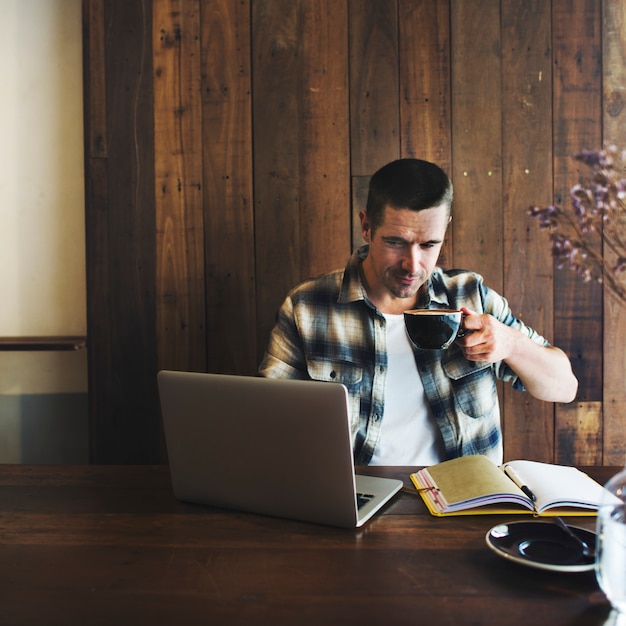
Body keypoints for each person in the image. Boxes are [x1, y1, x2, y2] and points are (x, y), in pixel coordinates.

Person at [258, 158, 578, 465]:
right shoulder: (307, 306)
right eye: (396, 242)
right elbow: (267, 420)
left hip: (463, 502)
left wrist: (511, 345)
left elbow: (564, 388)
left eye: (428, 245)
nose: (413, 265)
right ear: (367, 226)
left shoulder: (471, 295)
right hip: (353, 498)